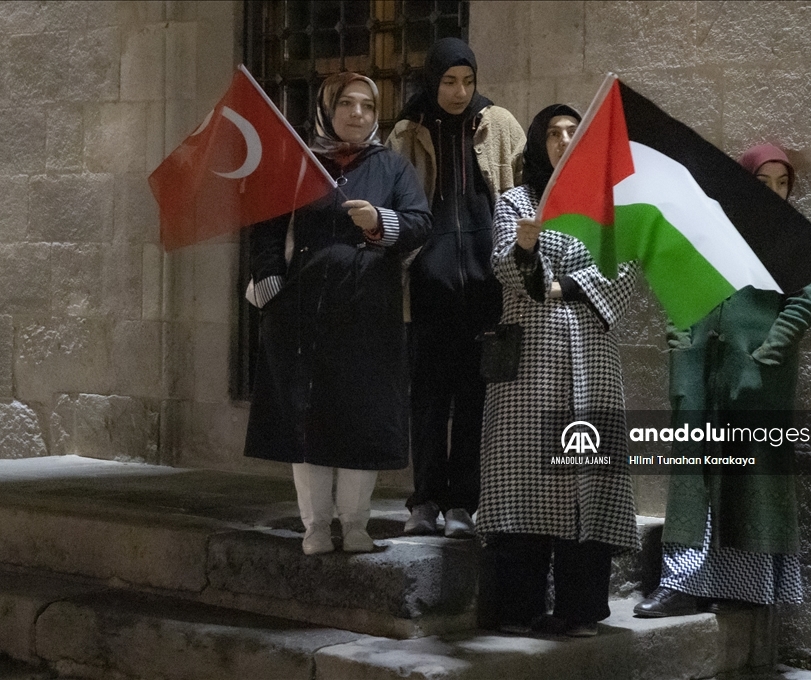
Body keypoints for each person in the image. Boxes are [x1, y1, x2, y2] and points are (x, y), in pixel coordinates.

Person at [244, 73, 431, 555]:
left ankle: (354, 526)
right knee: (307, 423)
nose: (356, 114)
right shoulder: (297, 163)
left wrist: (379, 222)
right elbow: (264, 226)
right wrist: (270, 284)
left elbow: (418, 223)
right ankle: (315, 527)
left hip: (368, 319)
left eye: (367, 106)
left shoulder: (390, 167)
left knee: (359, 422)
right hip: (303, 319)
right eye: (345, 103)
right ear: (327, 110)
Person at [633, 144, 811, 617]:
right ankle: (682, 584)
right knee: (693, 477)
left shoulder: (793, 238)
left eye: (783, 184)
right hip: (700, 371)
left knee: (750, 479)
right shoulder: (709, 231)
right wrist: (680, 344)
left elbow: (803, 303)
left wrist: (767, 354)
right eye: (763, 183)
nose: (775, 192)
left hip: (754, 376)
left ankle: (748, 587)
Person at [477, 104, 640, 637]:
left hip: (590, 360)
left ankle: (580, 609)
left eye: (574, 132)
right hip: (529, 364)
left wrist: (561, 286)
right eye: (553, 132)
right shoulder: (516, 201)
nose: (564, 140)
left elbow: (625, 268)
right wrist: (525, 247)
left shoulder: (607, 209)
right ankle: (516, 609)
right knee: (523, 479)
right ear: (538, 143)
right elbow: (505, 267)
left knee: (586, 480)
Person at [387, 38, 526, 538]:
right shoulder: (408, 131)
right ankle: (423, 501)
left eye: (467, 81)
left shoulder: (500, 124)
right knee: (427, 399)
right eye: (449, 81)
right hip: (428, 288)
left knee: (474, 400)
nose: (459, 91)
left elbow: (519, 194)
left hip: (485, 288)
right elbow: (396, 204)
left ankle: (463, 505)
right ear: (433, 79)